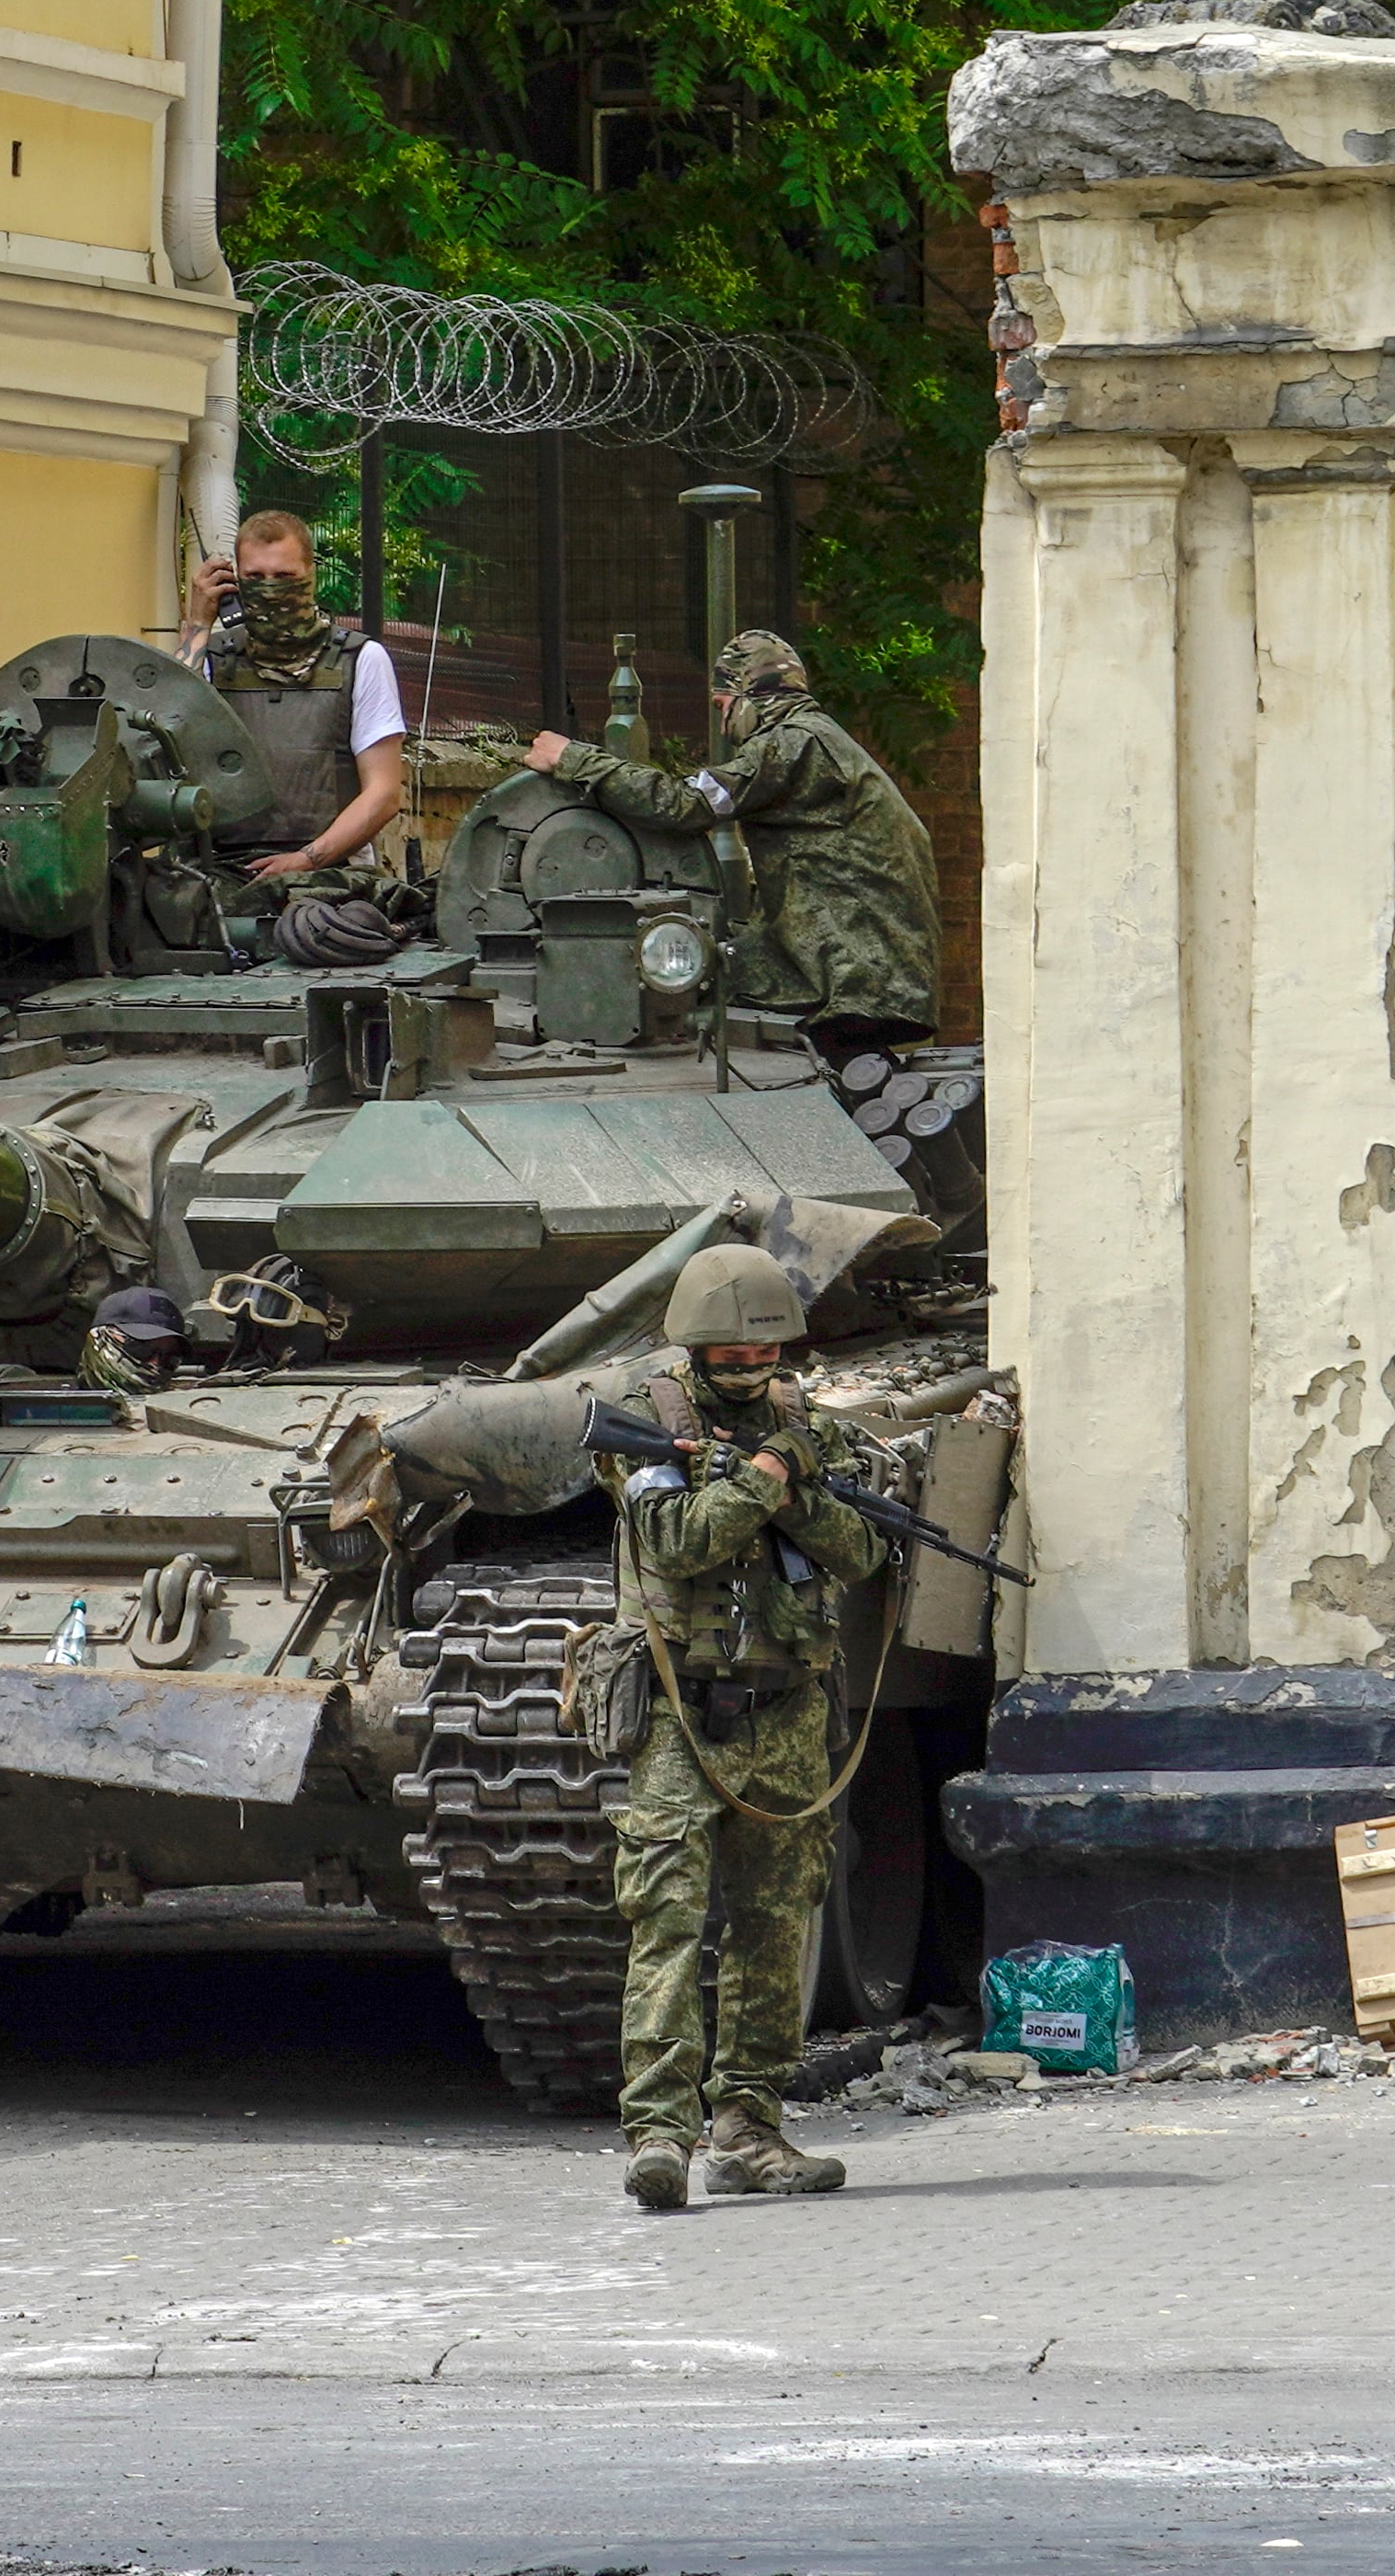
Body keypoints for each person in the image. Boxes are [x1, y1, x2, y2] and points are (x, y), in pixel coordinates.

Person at [597, 1243, 884, 2212]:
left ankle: (748, 2126)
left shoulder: (800, 1424)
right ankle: (659, 2133)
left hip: (789, 1703)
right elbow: (675, 1540)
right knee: (667, 1915)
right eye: (731, 1360)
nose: (752, 1374)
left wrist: (793, 1481)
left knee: (773, 1919)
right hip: (684, 1708)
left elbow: (858, 1548)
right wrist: (765, 1474)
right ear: (696, 1350)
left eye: (764, 1359)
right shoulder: (647, 1423)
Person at [524, 628, 936, 1056]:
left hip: (851, 976)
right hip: (870, 970)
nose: (723, 724)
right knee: (709, 963)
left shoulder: (792, 744)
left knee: (690, 977)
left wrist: (572, 757)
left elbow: (685, 805)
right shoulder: (821, 739)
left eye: (724, 706)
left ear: (750, 695)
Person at [176, 509, 407, 884]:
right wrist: (198, 624)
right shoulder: (212, 660)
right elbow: (170, 724)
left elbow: (383, 794)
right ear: (235, 583)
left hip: (332, 876)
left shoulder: (361, 660)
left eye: (284, 577)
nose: (269, 589)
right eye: (254, 577)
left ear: (310, 576)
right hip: (221, 872)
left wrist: (306, 860)